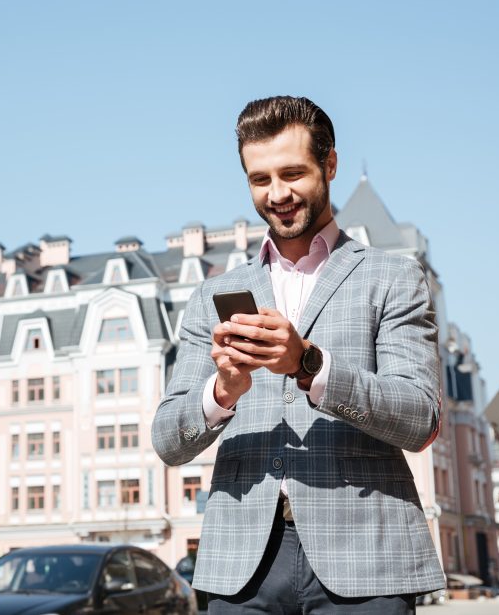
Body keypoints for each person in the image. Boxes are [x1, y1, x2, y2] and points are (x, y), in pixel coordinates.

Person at [151, 96, 445, 614]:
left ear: (330, 164)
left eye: (292, 173)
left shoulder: (395, 278)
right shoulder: (211, 295)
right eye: (259, 179)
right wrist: (222, 392)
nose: (277, 194)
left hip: (366, 559)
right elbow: (167, 441)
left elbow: (421, 418)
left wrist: (310, 364)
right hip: (241, 564)